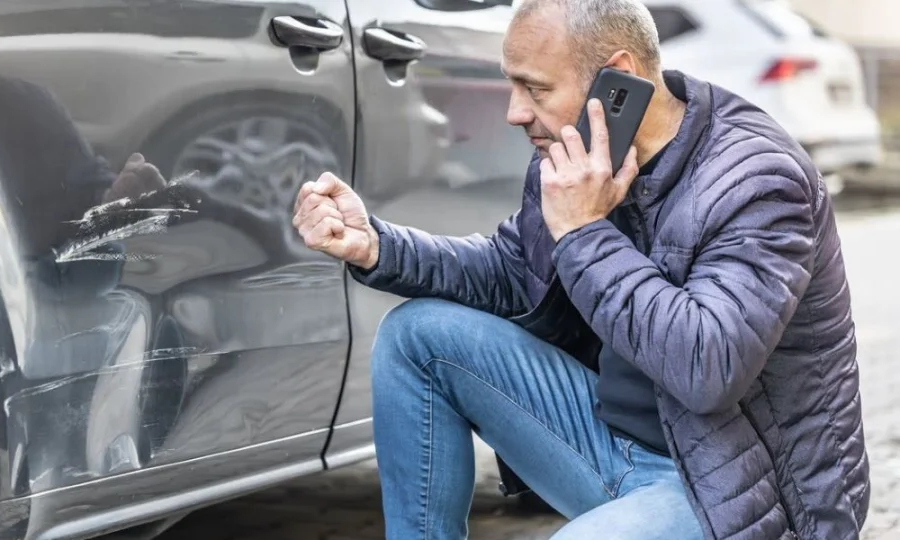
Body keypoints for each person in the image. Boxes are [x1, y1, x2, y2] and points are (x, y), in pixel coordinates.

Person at [291, 0, 869, 539]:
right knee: (417, 336)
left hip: (735, 491)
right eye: (512, 84)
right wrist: (377, 246)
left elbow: (707, 368)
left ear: (617, 80)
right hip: (611, 446)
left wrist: (584, 230)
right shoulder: (579, 156)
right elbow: (512, 272)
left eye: (535, 88)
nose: (515, 112)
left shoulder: (756, 180)